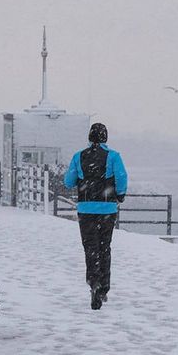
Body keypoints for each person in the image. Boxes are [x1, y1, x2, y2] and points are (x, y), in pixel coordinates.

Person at [63, 122, 128, 310]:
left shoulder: (79, 156)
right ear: (105, 137)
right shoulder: (113, 156)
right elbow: (122, 177)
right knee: (104, 247)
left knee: (90, 248)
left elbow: (68, 182)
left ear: (90, 137)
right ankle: (104, 288)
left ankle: (93, 283)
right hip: (107, 209)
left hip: (86, 209)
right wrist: (120, 195)